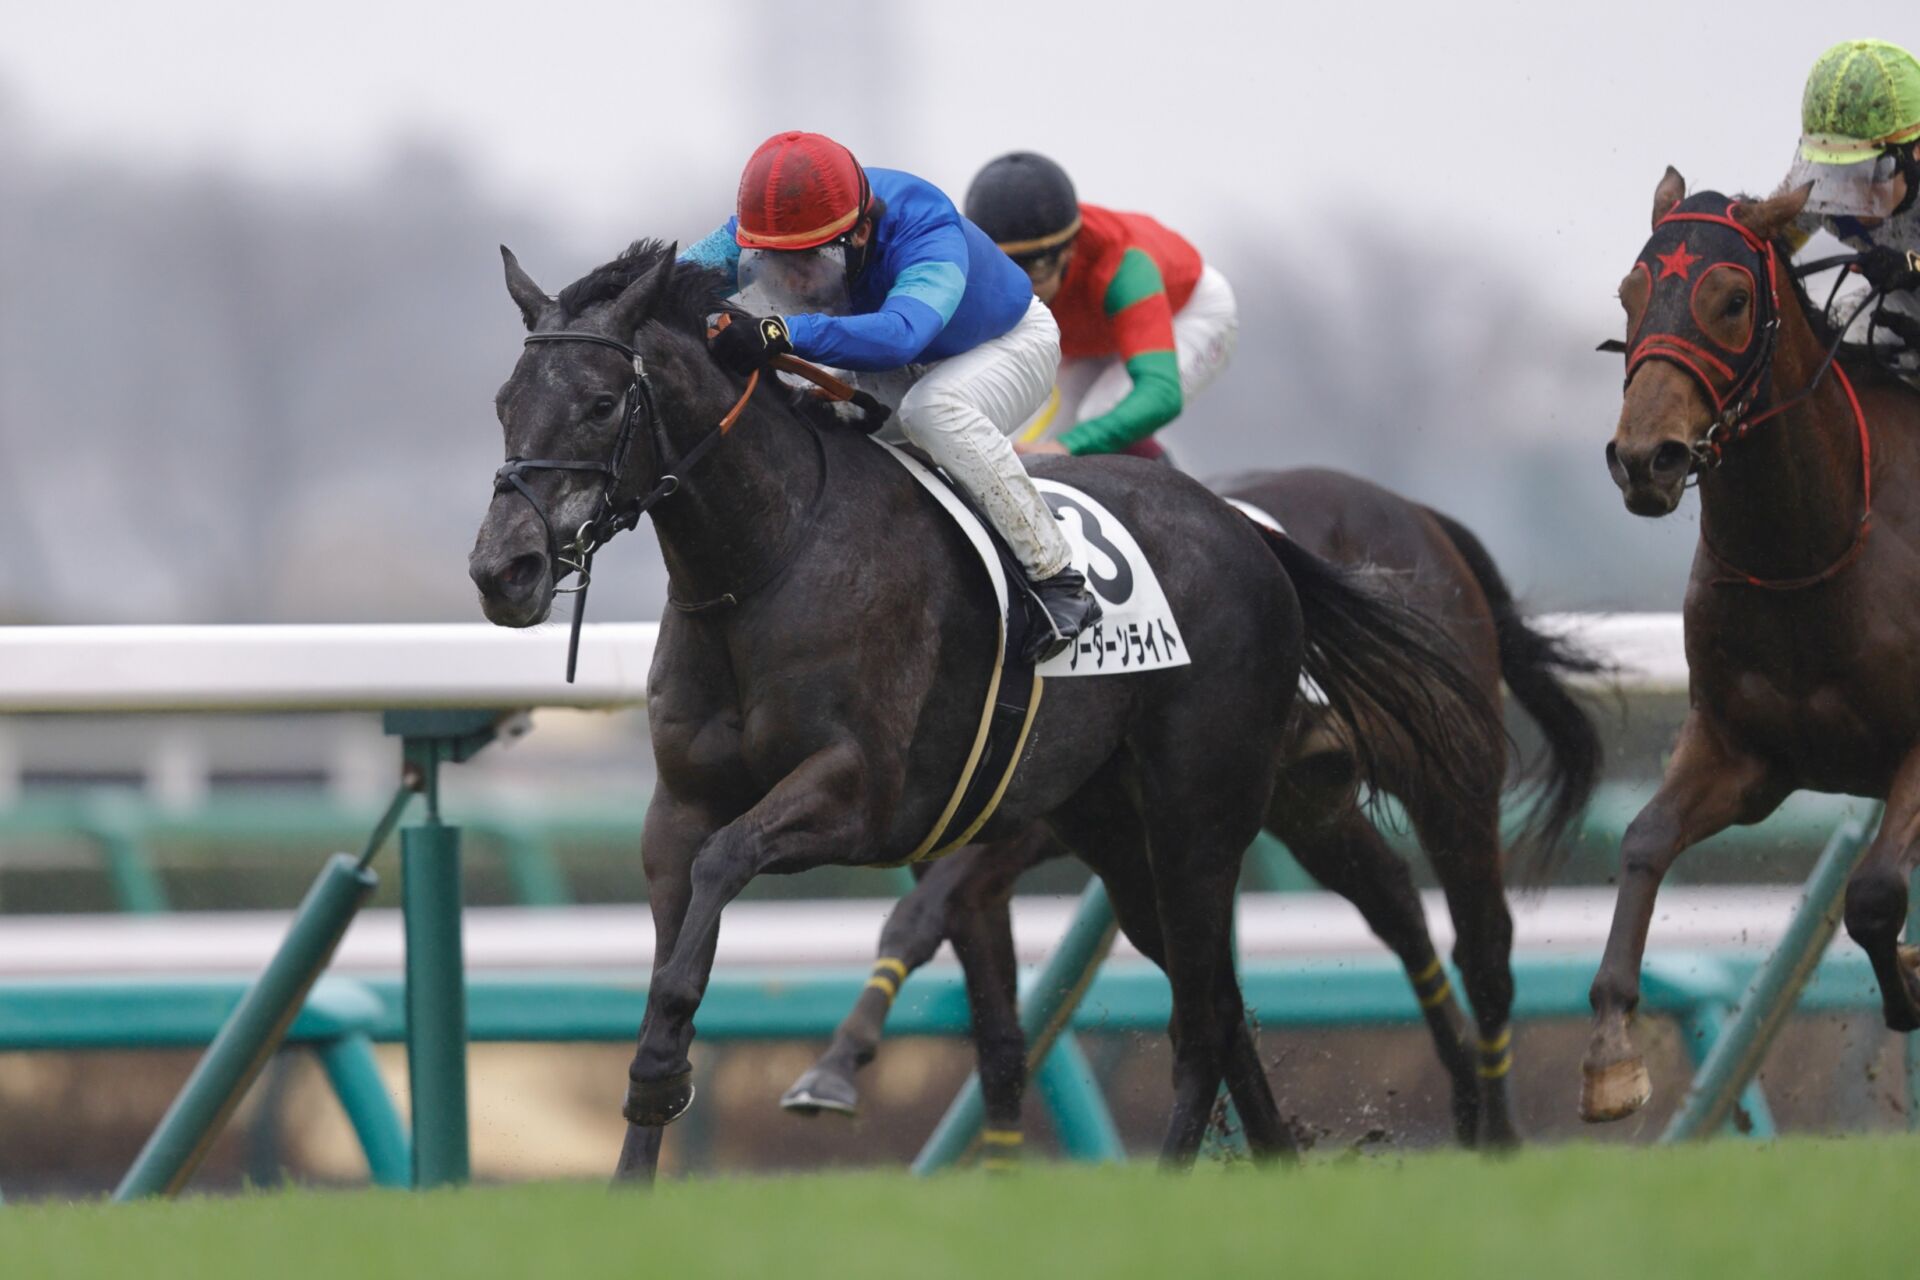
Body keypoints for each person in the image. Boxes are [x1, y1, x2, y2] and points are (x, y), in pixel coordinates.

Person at [682, 131, 1099, 660]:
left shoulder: (927, 228)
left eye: (808, 260)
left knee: (933, 411)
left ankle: (1058, 578)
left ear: (859, 234)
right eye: (773, 259)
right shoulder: (781, 220)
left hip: (1005, 343)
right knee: (805, 411)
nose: (791, 278)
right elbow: (675, 281)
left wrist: (777, 333)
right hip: (898, 357)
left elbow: (903, 333)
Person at [963, 152, 1238, 460]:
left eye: (1035, 268)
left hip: (1186, 313)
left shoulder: (1124, 265)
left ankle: (1174, 500)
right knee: (1031, 442)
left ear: (1068, 251)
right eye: (1002, 268)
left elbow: (1161, 393)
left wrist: (1068, 447)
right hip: (1095, 333)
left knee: (1095, 419)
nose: (1020, 287)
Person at [1783, 38, 1920, 380]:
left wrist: (1913, 266)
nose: (1850, 195)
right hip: (1902, 302)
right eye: (1836, 172)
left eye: (1868, 173)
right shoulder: (1821, 186)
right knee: (1832, 336)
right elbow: (1767, 233)